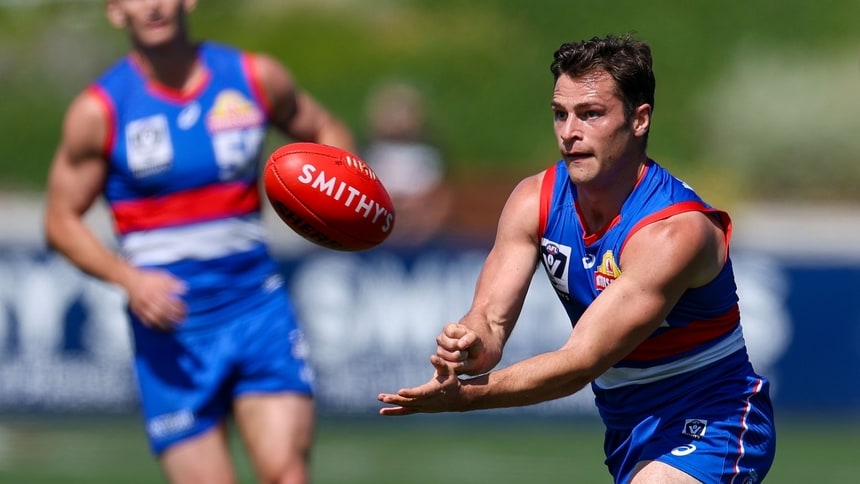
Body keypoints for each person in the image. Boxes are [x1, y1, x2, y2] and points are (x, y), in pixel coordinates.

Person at [378, 33, 776, 483]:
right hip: (628, 428)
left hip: (717, 417)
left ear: (639, 119)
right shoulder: (534, 201)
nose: (570, 132)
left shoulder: (672, 232)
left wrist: (466, 397)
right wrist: (467, 345)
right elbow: (489, 320)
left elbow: (581, 361)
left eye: (591, 114)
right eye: (560, 114)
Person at [43, 1, 354, 483]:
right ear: (114, 10)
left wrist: (335, 202)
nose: (152, 5)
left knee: (287, 473)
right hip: (173, 332)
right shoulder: (100, 110)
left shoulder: (253, 77)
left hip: (258, 309)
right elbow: (60, 221)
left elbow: (324, 129)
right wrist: (128, 279)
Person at [361, 80, 453, 247]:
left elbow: (442, 198)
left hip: (422, 239)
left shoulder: (430, 153)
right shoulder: (368, 152)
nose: (397, 120)